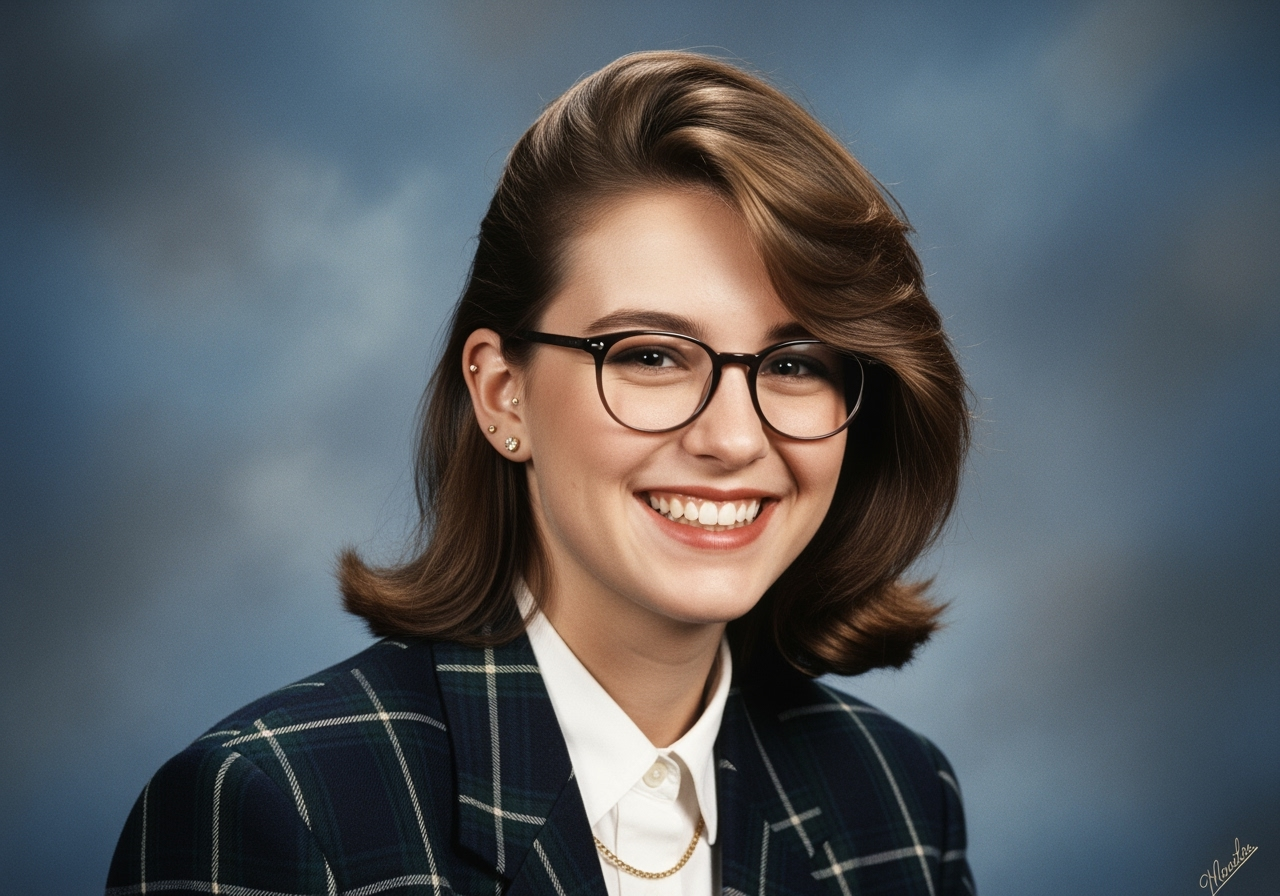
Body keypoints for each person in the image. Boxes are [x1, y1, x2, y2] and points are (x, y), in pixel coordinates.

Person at [107, 51, 974, 896]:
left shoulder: (897, 804)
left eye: (795, 365)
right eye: (651, 355)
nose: (734, 439)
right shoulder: (272, 809)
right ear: (501, 394)